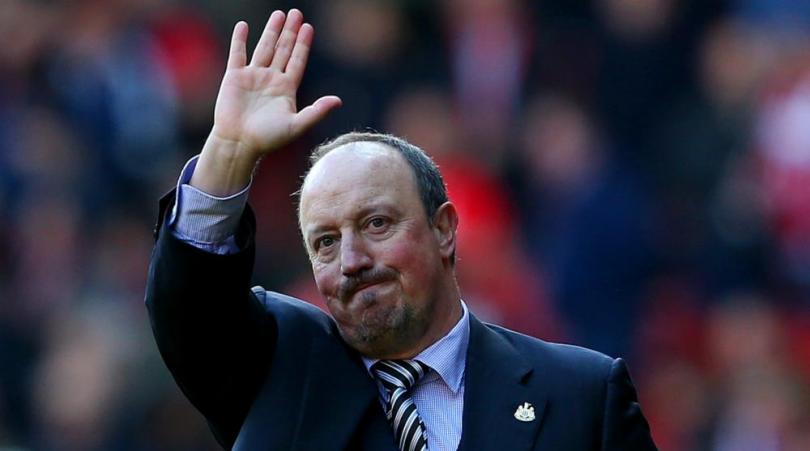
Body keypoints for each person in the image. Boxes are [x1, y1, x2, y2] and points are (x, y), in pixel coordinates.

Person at [145, 9, 658, 451]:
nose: (352, 260)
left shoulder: (582, 395)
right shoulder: (278, 369)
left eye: (376, 224)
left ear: (445, 229)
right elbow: (191, 313)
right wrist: (229, 152)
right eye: (325, 243)